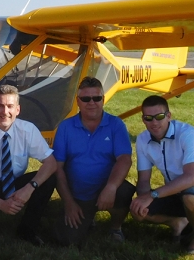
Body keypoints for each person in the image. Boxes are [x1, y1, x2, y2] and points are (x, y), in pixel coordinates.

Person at [130, 95, 194, 256]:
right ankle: (177, 222)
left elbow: (190, 178)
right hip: (175, 193)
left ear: (169, 116)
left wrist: (152, 195)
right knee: (136, 211)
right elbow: (144, 180)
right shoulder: (142, 139)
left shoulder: (189, 134)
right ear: (143, 120)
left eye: (159, 117)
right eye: (148, 118)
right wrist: (142, 201)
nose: (154, 122)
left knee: (190, 196)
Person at [0, 84, 57, 245]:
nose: (5, 112)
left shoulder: (28, 130)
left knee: (49, 179)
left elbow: (51, 163)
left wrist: (29, 188)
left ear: (18, 110)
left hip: (15, 182)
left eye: (10, 106)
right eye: (0, 106)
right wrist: (1, 204)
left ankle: (27, 230)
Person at [53, 76, 135, 246]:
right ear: (78, 101)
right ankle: (86, 216)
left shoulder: (116, 124)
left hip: (106, 188)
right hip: (77, 194)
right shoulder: (65, 127)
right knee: (66, 240)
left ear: (103, 99)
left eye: (97, 98)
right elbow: (57, 167)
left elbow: (125, 159)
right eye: (85, 98)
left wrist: (111, 187)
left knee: (124, 191)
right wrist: (69, 203)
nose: (92, 102)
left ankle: (115, 228)